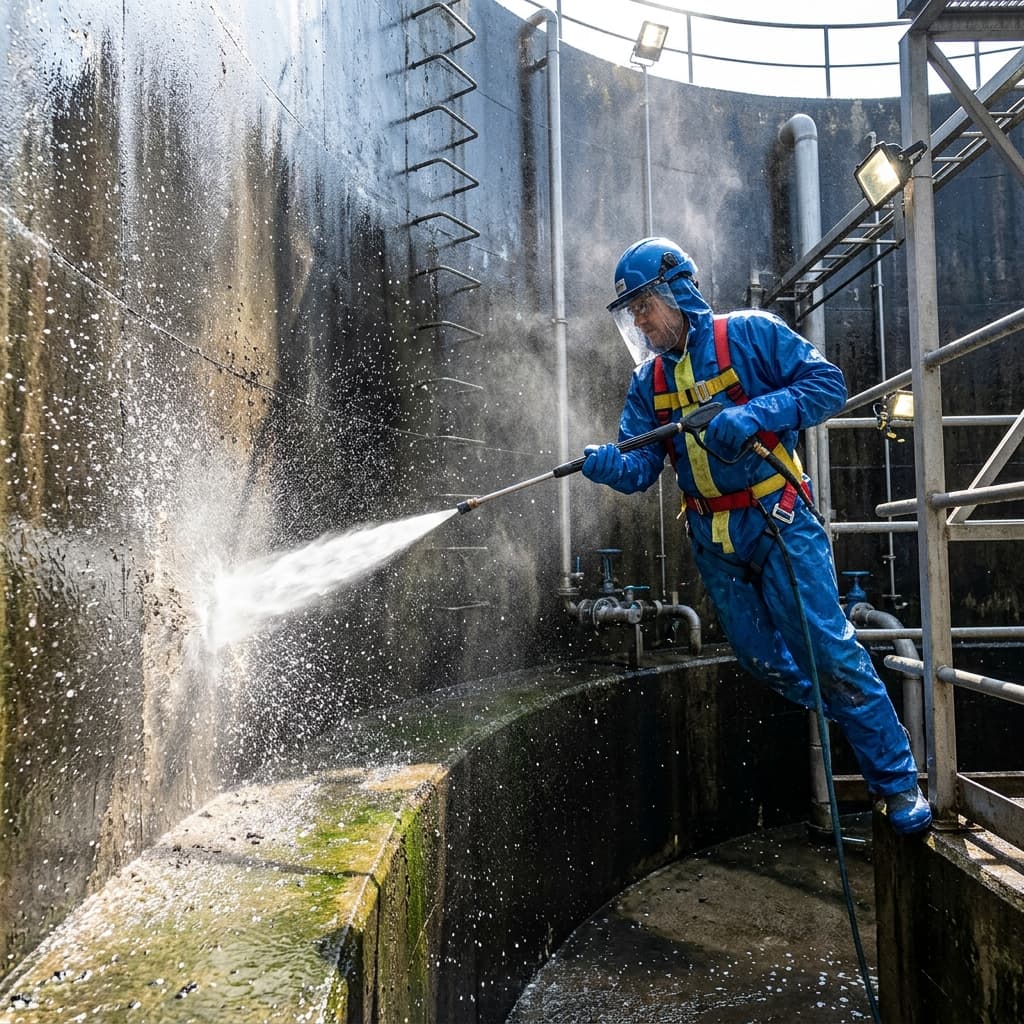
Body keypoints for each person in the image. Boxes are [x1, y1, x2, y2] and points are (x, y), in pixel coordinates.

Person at [581, 236, 931, 835]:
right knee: (759, 656)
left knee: (828, 647)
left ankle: (898, 784)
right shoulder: (649, 386)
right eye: (631, 312)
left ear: (677, 291)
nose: (639, 319)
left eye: (644, 305)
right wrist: (607, 465)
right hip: (712, 537)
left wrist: (755, 414)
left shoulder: (751, 334)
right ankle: (847, 710)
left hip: (777, 520)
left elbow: (828, 386)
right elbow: (641, 470)